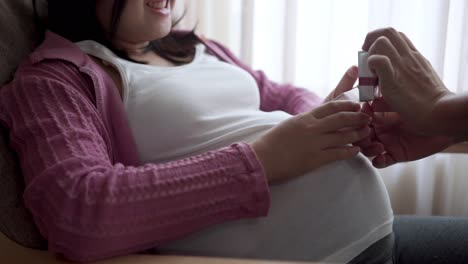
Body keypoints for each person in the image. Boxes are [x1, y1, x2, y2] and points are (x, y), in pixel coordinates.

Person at [0, 0, 398, 263]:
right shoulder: (54, 80)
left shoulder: (194, 46)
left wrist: (323, 125)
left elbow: (285, 95)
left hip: (374, 237)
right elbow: (78, 210)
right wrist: (261, 161)